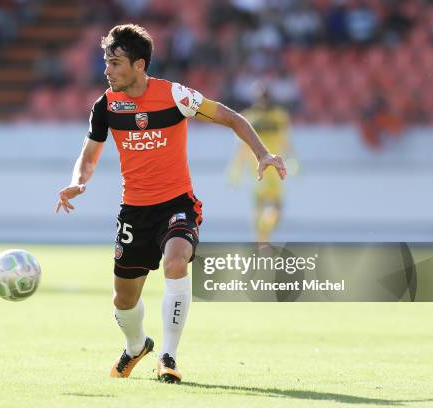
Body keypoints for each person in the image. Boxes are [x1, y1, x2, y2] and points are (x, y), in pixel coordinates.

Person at [55, 24, 286, 383]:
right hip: (134, 211)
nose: (107, 70)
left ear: (139, 65)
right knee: (124, 300)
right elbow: (89, 156)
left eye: (115, 63)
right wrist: (77, 183)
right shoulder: (105, 106)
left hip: (177, 203)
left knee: (176, 261)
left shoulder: (176, 96)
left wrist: (263, 153)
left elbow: (231, 117)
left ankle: (169, 357)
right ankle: (136, 346)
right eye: (106, 63)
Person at [227, 84, 292, 242]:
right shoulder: (255, 117)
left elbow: (285, 141)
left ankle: (262, 239)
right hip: (263, 167)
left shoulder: (271, 117)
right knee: (269, 207)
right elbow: (242, 147)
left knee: (268, 207)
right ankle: (262, 242)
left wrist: (235, 169)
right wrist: (235, 169)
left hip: (266, 168)